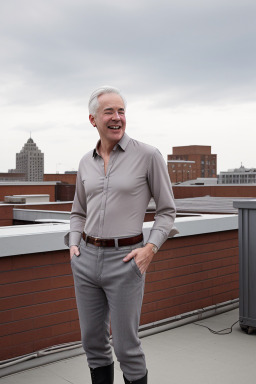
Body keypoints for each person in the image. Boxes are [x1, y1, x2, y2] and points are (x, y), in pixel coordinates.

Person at [65, 86, 176, 384]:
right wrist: (74, 246)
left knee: (126, 347)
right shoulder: (85, 163)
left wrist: (150, 248)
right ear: (93, 120)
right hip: (85, 260)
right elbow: (78, 213)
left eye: (121, 111)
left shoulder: (148, 156)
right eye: (109, 112)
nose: (117, 118)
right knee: (92, 343)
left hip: (126, 261)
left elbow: (167, 211)